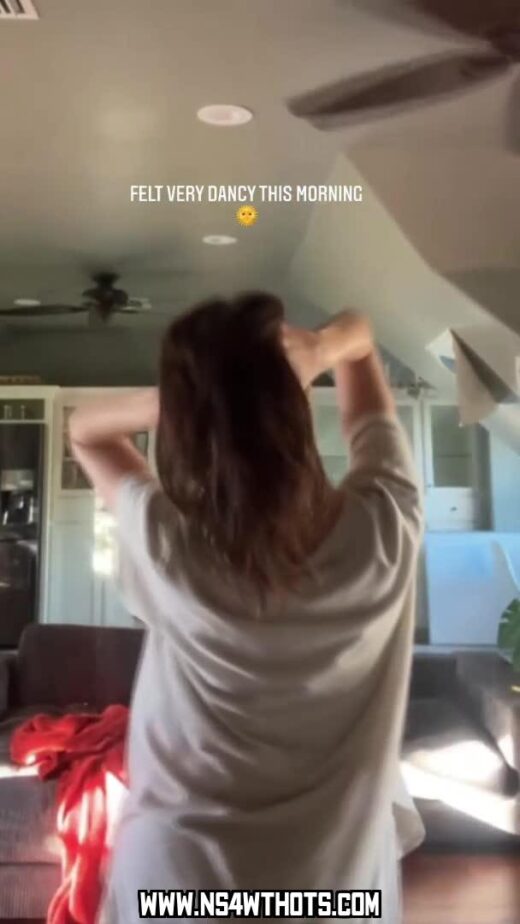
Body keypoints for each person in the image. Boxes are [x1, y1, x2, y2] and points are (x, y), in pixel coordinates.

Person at [68, 292, 424, 924]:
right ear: (294, 411)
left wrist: (186, 399)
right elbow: (363, 346)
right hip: (335, 890)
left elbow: (85, 432)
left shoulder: (170, 547)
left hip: (178, 885)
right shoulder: (384, 530)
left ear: (186, 430)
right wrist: (319, 350)